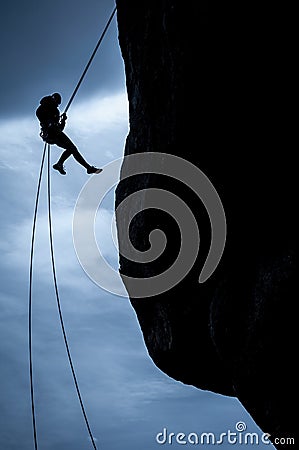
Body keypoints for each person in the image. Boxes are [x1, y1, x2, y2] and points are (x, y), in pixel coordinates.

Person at [36, 92, 102, 175]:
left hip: (54, 133)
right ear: (54, 100)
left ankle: (62, 164)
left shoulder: (55, 111)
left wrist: (63, 121)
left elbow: (60, 128)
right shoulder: (44, 108)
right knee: (72, 148)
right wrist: (50, 122)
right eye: (57, 103)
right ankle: (87, 168)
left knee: (72, 149)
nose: (57, 105)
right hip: (52, 133)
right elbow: (41, 116)